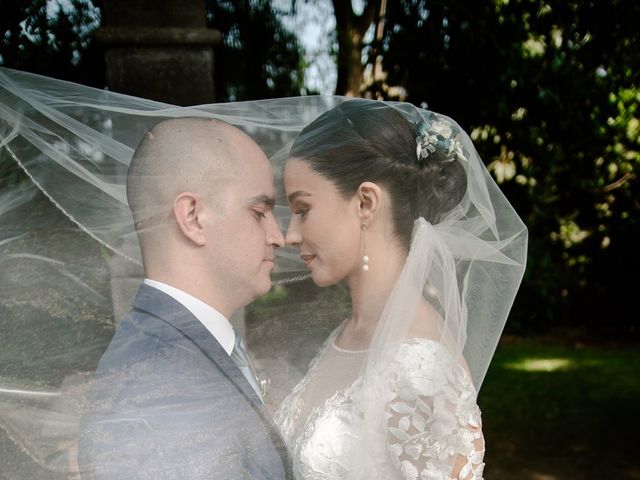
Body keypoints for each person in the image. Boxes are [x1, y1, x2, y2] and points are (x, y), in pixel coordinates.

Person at [273, 99, 528, 480]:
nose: (290, 235)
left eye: (303, 209)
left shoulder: (421, 368)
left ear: (365, 203)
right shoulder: (346, 334)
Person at [77, 117, 292, 479]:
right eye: (258, 213)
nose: (278, 236)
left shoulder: (179, 347)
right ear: (192, 217)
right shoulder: (157, 388)